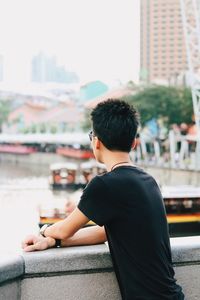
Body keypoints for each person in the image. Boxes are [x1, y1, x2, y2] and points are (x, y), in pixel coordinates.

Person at [22, 99, 184, 300]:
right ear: (134, 143)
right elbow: (104, 232)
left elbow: (65, 229)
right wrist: (53, 242)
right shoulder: (147, 181)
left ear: (96, 141)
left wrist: (45, 231)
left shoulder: (105, 185)